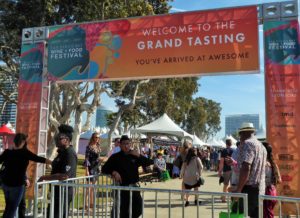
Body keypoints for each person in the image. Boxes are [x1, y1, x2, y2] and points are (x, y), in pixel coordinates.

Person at [0, 133, 51, 218]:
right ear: (23, 142)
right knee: (12, 209)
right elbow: (38, 158)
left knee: (8, 208)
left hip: (6, 184)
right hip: (17, 185)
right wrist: (52, 162)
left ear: (14, 141)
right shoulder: (24, 153)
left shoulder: (7, 152)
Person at [102, 135, 153, 218]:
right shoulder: (115, 157)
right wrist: (113, 172)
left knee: (138, 208)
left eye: (128, 144)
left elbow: (149, 162)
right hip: (122, 188)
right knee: (122, 211)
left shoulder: (134, 156)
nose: (126, 146)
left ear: (130, 144)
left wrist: (138, 155)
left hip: (134, 187)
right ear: (120, 145)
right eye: (124, 144)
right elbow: (104, 168)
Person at [39, 124, 77, 218]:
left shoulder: (69, 153)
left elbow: (64, 175)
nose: (56, 139)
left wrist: (44, 178)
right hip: (56, 191)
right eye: (57, 137)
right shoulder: (61, 152)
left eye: (59, 138)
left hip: (64, 192)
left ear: (67, 140)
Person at [235, 122, 267, 218]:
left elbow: (246, 168)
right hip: (260, 189)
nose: (240, 138)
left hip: (249, 189)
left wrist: (238, 190)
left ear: (243, 133)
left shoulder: (248, 143)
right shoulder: (262, 147)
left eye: (240, 135)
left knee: (243, 215)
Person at [262, 142, 282, 218]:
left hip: (265, 192)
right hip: (273, 192)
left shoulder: (263, 163)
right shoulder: (273, 164)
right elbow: (279, 180)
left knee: (266, 215)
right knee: (269, 214)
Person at [83, 132, 102, 210]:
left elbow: (98, 158)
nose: (96, 139)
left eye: (98, 137)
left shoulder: (98, 146)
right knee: (88, 187)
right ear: (92, 138)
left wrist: (101, 162)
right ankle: (86, 204)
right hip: (90, 168)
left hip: (96, 168)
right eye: (95, 137)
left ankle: (92, 204)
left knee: (94, 188)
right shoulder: (89, 147)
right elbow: (86, 159)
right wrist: (86, 170)